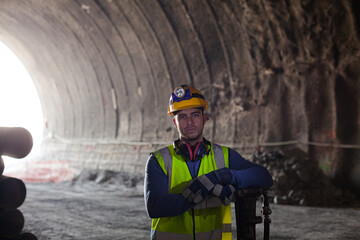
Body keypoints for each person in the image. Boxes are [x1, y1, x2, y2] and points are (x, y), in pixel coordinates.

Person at [144, 85, 273, 240]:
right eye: (182, 117)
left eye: (195, 115)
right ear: (174, 122)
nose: (190, 122)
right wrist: (200, 192)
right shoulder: (158, 161)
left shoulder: (224, 156)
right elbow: (155, 207)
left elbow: (264, 177)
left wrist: (223, 176)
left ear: (204, 118)